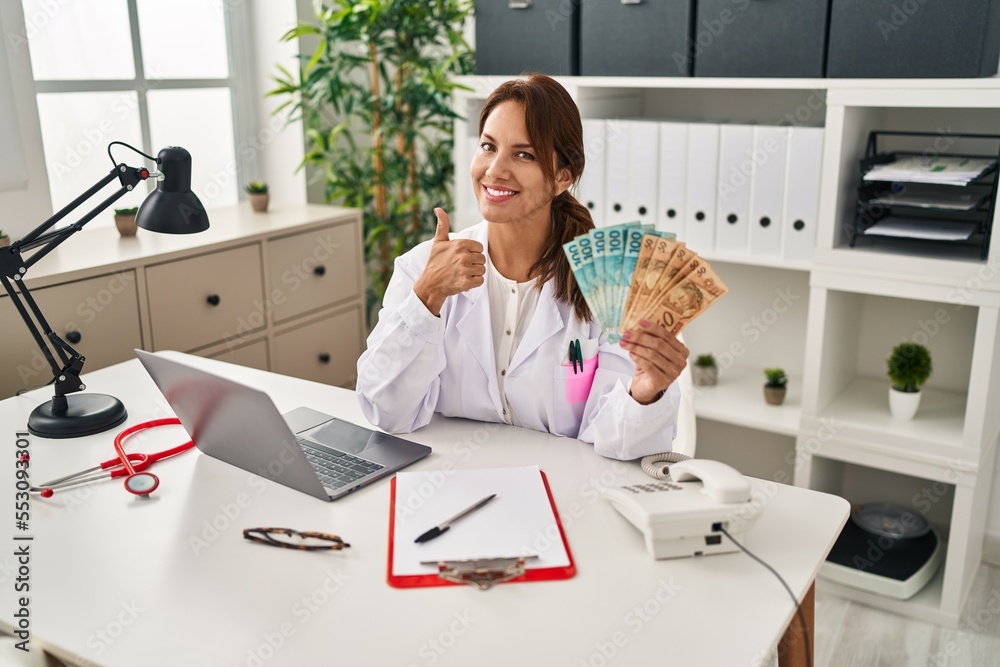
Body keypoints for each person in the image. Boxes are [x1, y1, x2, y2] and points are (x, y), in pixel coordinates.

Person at [356, 73, 688, 460]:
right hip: (450, 482)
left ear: (563, 177)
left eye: (523, 154)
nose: (495, 170)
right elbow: (386, 412)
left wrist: (645, 392)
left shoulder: (611, 285)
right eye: (487, 147)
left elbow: (616, 442)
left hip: (565, 494)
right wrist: (425, 298)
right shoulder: (422, 268)